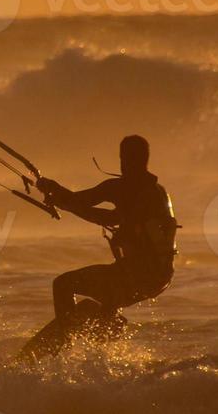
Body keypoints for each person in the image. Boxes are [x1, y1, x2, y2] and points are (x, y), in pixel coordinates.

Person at [36, 135, 178, 321]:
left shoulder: (120, 187)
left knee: (63, 284)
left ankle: (68, 335)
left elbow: (83, 204)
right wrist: (61, 198)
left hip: (134, 275)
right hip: (159, 278)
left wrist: (54, 190)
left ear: (123, 158)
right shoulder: (159, 192)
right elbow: (109, 217)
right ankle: (108, 321)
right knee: (109, 296)